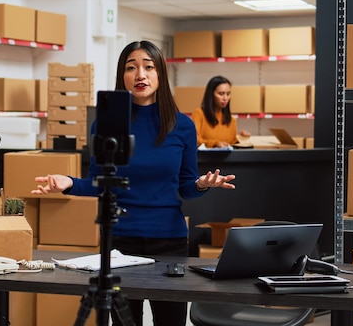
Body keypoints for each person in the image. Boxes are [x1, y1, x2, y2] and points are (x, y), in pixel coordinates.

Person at [31, 40, 236, 326]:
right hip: (120, 241)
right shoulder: (105, 123)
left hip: (170, 242)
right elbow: (99, 182)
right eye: (131, 67)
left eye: (148, 67)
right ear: (122, 76)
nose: (140, 74)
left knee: (170, 321)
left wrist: (201, 184)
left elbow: (185, 187)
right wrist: (69, 183)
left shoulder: (183, 125)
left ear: (160, 73)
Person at [191, 75, 250, 148]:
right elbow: (194, 140)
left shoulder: (232, 120)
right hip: (206, 158)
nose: (225, 98)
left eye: (228, 94)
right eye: (221, 94)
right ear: (211, 94)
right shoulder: (199, 114)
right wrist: (215, 143)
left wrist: (242, 138)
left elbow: (231, 143)